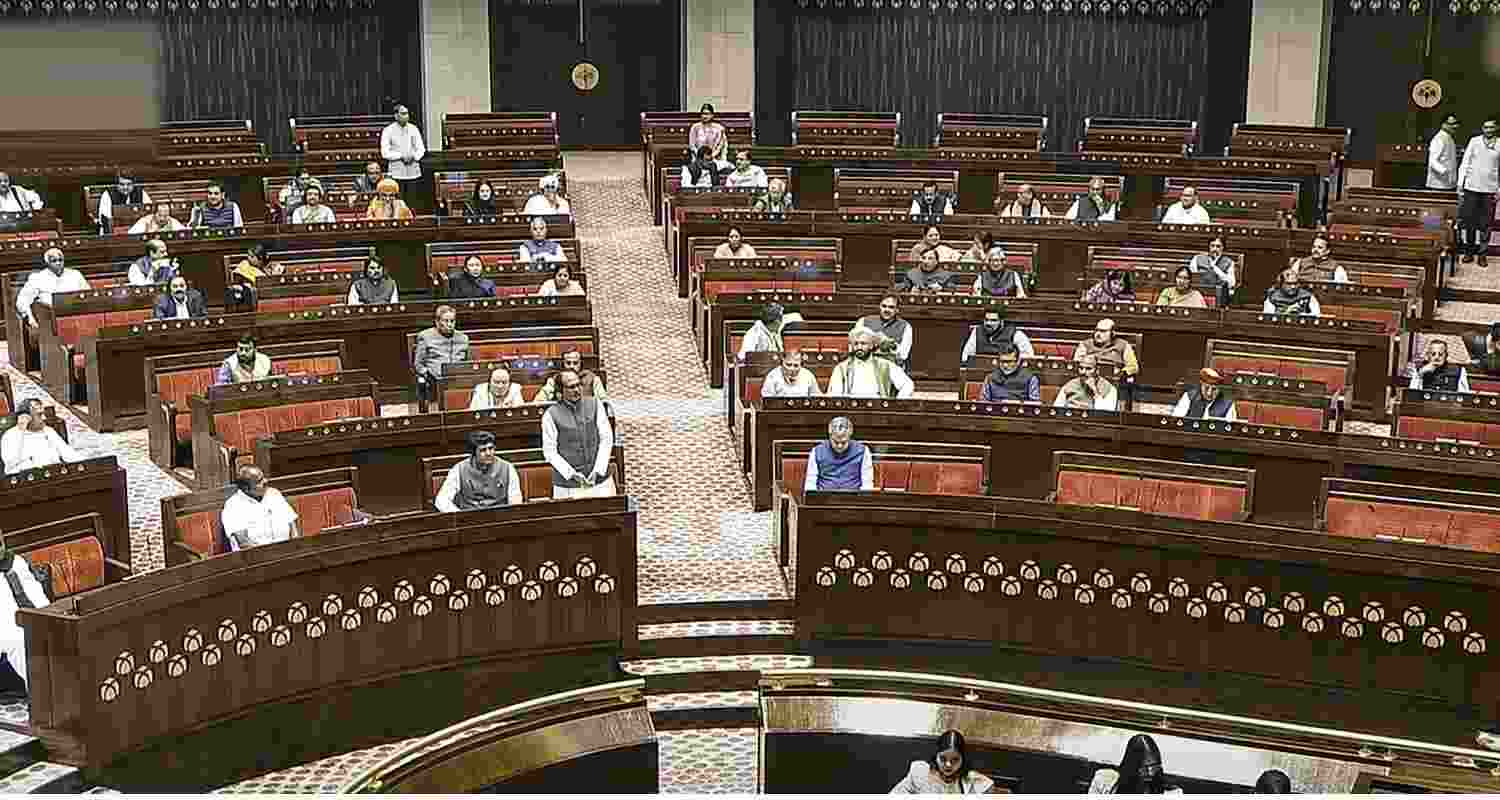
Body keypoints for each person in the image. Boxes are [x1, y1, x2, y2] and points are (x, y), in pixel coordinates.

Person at [542, 369, 616, 498]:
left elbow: (606, 438)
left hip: (600, 481)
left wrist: (598, 469)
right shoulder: (550, 415)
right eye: (571, 387)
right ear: (560, 391)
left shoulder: (595, 404)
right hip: (567, 486)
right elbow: (549, 451)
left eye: (578, 385)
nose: (577, 390)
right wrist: (571, 474)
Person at [0, 543, 51, 693]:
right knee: (19, 641)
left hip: (26, 621)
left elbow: (39, 601)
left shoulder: (16, 562)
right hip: (10, 635)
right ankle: (41, 695)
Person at [435, 431, 523, 512]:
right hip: (469, 519)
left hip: (499, 518)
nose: (488, 453)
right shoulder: (459, 469)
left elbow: (515, 500)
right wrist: (460, 517)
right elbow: (441, 500)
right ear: (474, 453)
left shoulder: (508, 468)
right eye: (483, 450)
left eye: (491, 448)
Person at [221, 465, 301, 552]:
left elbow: (292, 525)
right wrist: (271, 554)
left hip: (287, 552)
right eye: (259, 481)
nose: (265, 481)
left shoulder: (274, 494)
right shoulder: (233, 505)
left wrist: (295, 547)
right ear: (246, 488)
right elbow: (243, 543)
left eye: (263, 477)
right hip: (255, 556)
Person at [890, 730, 995, 795]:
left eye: (955, 760)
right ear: (936, 756)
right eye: (943, 759)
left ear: (963, 759)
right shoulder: (920, 772)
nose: (948, 765)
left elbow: (988, 786)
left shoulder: (972, 781)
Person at [1457, 116, 1500, 266]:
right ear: (1482, 129)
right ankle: (1469, 252)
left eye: (1491, 127)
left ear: (1496, 128)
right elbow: (1465, 162)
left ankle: (1482, 254)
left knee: (1486, 223)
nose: (1488, 130)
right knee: (1469, 221)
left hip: (1489, 188)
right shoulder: (1474, 141)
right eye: (1485, 127)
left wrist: (1499, 189)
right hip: (1471, 187)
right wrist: (1460, 184)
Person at [827, 328, 914, 398]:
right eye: (856, 344)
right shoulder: (841, 368)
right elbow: (835, 395)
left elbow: (907, 385)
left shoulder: (885, 365)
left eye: (863, 343)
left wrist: (896, 404)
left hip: (879, 409)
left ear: (871, 345)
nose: (859, 347)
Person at [1, 399, 80, 474]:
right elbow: (10, 465)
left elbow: (69, 454)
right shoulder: (11, 435)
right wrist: (21, 430)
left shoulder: (48, 431)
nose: (44, 418)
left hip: (55, 475)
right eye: (40, 415)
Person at [15, 248, 89, 328]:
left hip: (75, 315)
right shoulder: (38, 278)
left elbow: (88, 295)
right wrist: (29, 317)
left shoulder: (75, 274)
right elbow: (22, 300)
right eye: (54, 261)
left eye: (60, 260)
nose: (58, 263)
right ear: (47, 262)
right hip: (48, 318)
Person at [1088, 734, 1182, 794]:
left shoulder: (1172, 793)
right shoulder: (1104, 781)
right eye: (1144, 768)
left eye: (1154, 766)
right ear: (1131, 767)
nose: (1150, 773)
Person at [414, 305, 470, 404]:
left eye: (452, 321)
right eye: (446, 321)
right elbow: (418, 364)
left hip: (458, 378)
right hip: (435, 381)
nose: (449, 324)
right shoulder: (425, 337)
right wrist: (428, 375)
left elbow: (467, 361)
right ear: (437, 322)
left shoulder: (463, 338)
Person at [804, 416, 873, 491]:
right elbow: (810, 483)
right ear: (830, 436)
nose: (840, 446)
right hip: (824, 496)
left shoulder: (863, 451)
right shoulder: (816, 451)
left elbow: (867, 483)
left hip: (854, 496)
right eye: (836, 442)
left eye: (844, 442)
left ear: (850, 436)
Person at [1073, 319, 1140, 386]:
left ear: (1112, 333)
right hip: (1088, 381)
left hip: (1113, 382)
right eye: (1096, 330)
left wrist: (1120, 374)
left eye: (1103, 331)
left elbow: (1133, 367)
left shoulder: (1123, 345)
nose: (1098, 334)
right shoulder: (1085, 344)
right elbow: (1077, 363)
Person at [961, 309, 1034, 361]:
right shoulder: (977, 332)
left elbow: (1028, 356)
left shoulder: (1016, 334)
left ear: (1001, 322)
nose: (989, 323)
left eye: (993, 320)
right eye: (986, 320)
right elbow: (966, 355)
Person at [536, 349, 609, 402]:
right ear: (563, 364)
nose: (571, 366)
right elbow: (539, 401)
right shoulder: (554, 380)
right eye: (568, 363)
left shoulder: (593, 379)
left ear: (580, 364)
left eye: (575, 363)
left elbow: (603, 401)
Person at [859, 295, 913, 365]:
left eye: (891, 307)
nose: (887, 310)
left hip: (891, 366)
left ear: (897, 310)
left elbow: (903, 355)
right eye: (884, 306)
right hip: (866, 365)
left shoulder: (906, 326)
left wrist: (888, 343)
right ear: (879, 306)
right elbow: (854, 347)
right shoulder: (864, 321)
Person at [738, 302, 804, 359]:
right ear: (776, 322)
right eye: (780, 319)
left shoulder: (776, 325)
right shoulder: (753, 334)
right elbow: (742, 357)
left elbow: (797, 316)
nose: (782, 321)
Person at [1054, 354, 1119, 410]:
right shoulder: (1070, 385)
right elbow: (1057, 408)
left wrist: (1095, 391)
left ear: (1097, 370)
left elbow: (1106, 413)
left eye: (1088, 369)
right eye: (1081, 368)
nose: (1083, 372)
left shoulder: (1109, 388)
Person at [1171, 367, 1237, 421]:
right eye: (1206, 388)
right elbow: (1176, 420)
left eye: (1214, 389)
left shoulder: (1227, 403)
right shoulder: (1189, 396)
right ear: (1201, 385)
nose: (1209, 393)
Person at [381, 104, 426, 182]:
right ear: (396, 116)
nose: (406, 116)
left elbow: (421, 149)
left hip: (413, 172)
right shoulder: (388, 130)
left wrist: (413, 156)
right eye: (403, 113)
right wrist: (401, 156)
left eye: (407, 113)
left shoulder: (414, 129)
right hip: (396, 173)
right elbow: (385, 153)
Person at [1188, 235, 1235, 305]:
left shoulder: (1229, 262)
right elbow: (1191, 277)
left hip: (1218, 295)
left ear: (1223, 248)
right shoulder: (1197, 258)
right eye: (1212, 246)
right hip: (1198, 292)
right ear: (1209, 247)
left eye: (1218, 246)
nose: (1215, 249)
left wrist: (1215, 268)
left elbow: (1231, 283)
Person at [1428, 113, 1460, 191]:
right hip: (1438, 185)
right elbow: (1432, 161)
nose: (1455, 126)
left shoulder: (1448, 137)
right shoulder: (1439, 138)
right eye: (1451, 124)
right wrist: (1445, 171)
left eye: (1455, 124)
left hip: (1447, 183)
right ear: (1443, 125)